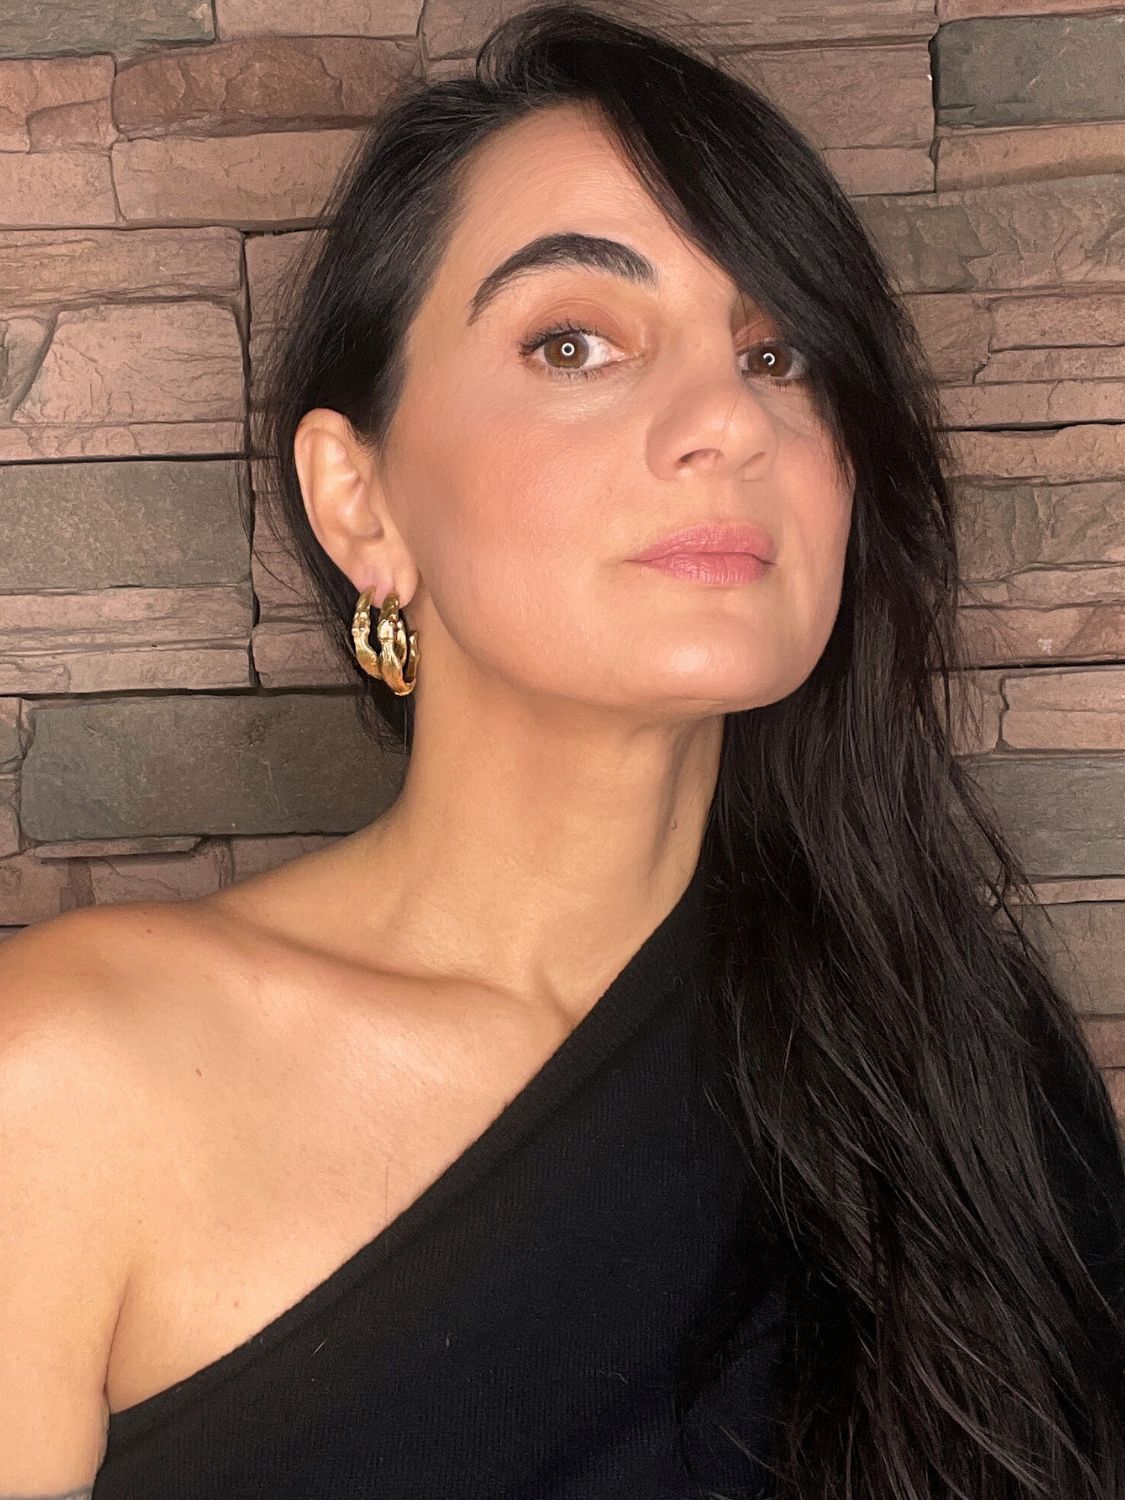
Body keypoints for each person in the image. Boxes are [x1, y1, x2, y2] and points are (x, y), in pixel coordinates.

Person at [1, 4, 1122, 1498]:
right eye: (574, 341)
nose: (723, 417)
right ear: (359, 505)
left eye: (778, 352)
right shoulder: (72, 1076)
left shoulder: (959, 1056)